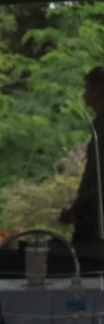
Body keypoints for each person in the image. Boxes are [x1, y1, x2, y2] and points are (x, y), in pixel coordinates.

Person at [60, 66, 104, 270]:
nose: (84, 94)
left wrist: (76, 207)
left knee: (89, 269)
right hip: (91, 213)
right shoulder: (98, 126)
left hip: (95, 218)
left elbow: (99, 178)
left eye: (88, 88)